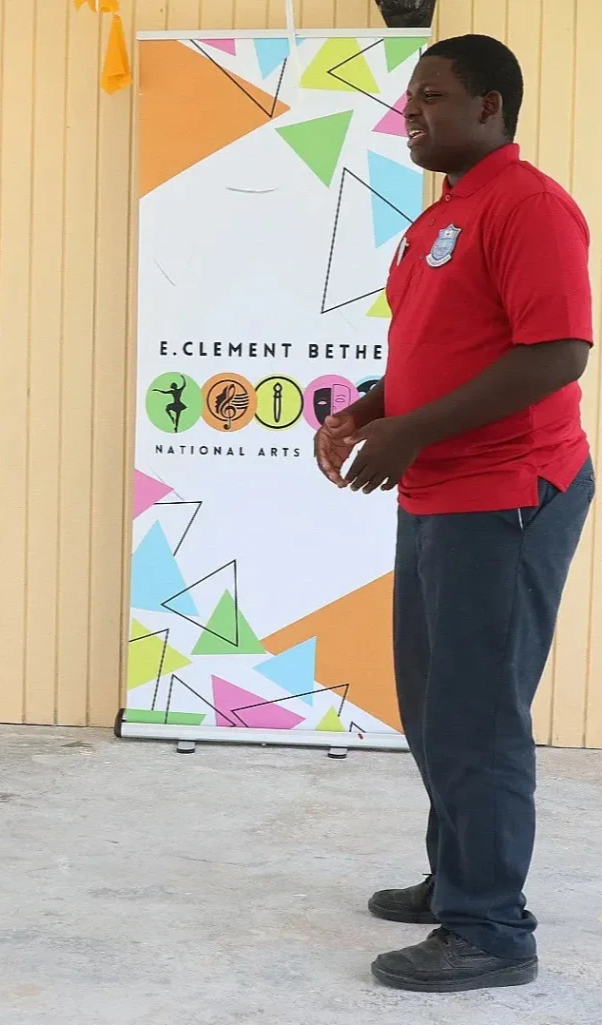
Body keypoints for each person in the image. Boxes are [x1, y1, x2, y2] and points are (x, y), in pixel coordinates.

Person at [315, 35, 594, 992]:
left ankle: (491, 928)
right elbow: (448, 348)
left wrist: (412, 430)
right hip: (441, 488)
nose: (410, 115)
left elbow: (556, 354)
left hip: (509, 492)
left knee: (476, 714)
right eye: (407, 99)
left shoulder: (530, 206)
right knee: (436, 707)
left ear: (489, 107)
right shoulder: (444, 214)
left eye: (431, 97)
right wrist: (370, 409)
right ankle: (456, 880)